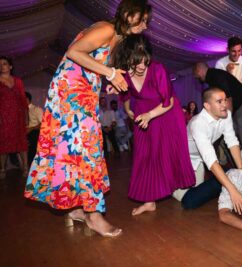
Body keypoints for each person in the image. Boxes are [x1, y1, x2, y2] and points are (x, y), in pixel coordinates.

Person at [24, 0, 152, 237]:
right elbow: (74, 53)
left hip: (83, 95)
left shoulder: (119, 40)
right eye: (142, 19)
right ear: (129, 14)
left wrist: (110, 81)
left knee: (79, 154)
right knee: (90, 150)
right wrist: (110, 72)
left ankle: (80, 209)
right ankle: (93, 215)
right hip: (70, 95)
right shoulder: (107, 28)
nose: (145, 26)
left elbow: (93, 66)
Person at [113, 34, 195, 216]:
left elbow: (169, 102)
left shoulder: (157, 69)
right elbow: (126, 96)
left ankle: (170, 189)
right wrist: (128, 110)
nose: (142, 66)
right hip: (143, 115)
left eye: (145, 61)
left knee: (164, 154)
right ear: (128, 58)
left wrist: (150, 115)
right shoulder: (124, 74)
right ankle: (149, 201)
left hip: (164, 113)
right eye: (137, 62)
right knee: (144, 156)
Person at [173, 87, 242, 214]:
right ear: (207, 106)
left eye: (225, 100)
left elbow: (232, 142)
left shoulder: (226, 114)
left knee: (199, 193)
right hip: (181, 159)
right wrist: (232, 190)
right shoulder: (198, 123)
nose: (225, 104)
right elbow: (211, 160)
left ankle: (226, 179)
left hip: (200, 160)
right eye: (219, 101)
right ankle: (168, 179)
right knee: (186, 199)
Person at [193, 62, 242, 146]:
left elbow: (228, 98)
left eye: (197, 77)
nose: (198, 79)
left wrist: (227, 119)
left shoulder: (215, 76)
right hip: (239, 108)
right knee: (233, 140)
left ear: (199, 71)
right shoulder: (214, 76)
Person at [0, 56, 28, 178]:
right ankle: (2, 169)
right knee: (3, 143)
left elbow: (23, 100)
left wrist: (26, 116)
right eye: (0, 64)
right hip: (3, 116)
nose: (2, 66)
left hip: (18, 116)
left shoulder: (18, 81)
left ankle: (25, 169)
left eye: (4, 63)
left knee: (21, 143)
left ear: (10, 66)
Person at [26, 92, 43, 165]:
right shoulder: (20, 111)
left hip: (33, 132)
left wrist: (32, 128)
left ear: (27, 99)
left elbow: (42, 124)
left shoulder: (36, 109)